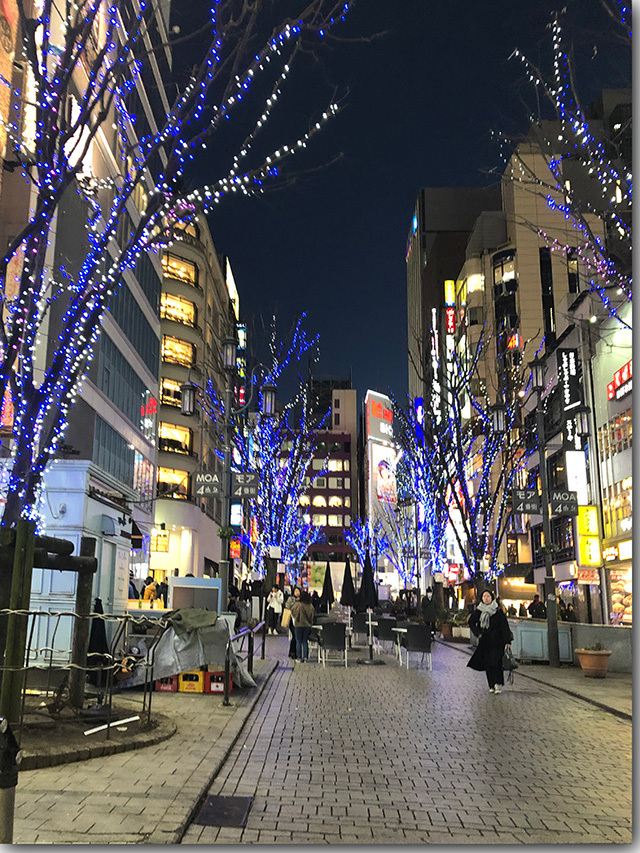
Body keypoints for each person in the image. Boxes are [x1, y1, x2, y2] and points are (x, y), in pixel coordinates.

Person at [467, 590, 513, 694]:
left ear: (492, 598)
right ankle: (491, 684)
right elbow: (471, 622)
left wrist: (507, 641)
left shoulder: (497, 611)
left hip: (498, 641)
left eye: (488, 596)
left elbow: (504, 627)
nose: (486, 598)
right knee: (488, 663)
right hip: (485, 641)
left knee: (496, 662)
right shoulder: (479, 611)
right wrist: (478, 633)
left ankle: (498, 684)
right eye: (484, 596)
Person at [290, 590, 315, 663]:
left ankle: (299, 658)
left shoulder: (299, 605)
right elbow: (312, 616)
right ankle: (305, 657)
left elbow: (293, 612)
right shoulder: (310, 606)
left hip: (299, 625)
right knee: (305, 641)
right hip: (307, 625)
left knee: (298, 641)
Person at [284, 586, 301, 659]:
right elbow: (287, 607)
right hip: (292, 620)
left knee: (296, 636)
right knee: (295, 635)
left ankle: (292, 652)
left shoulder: (302, 600)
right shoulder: (291, 599)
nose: (297, 592)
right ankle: (293, 652)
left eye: (298, 591)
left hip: (300, 620)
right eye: (295, 591)